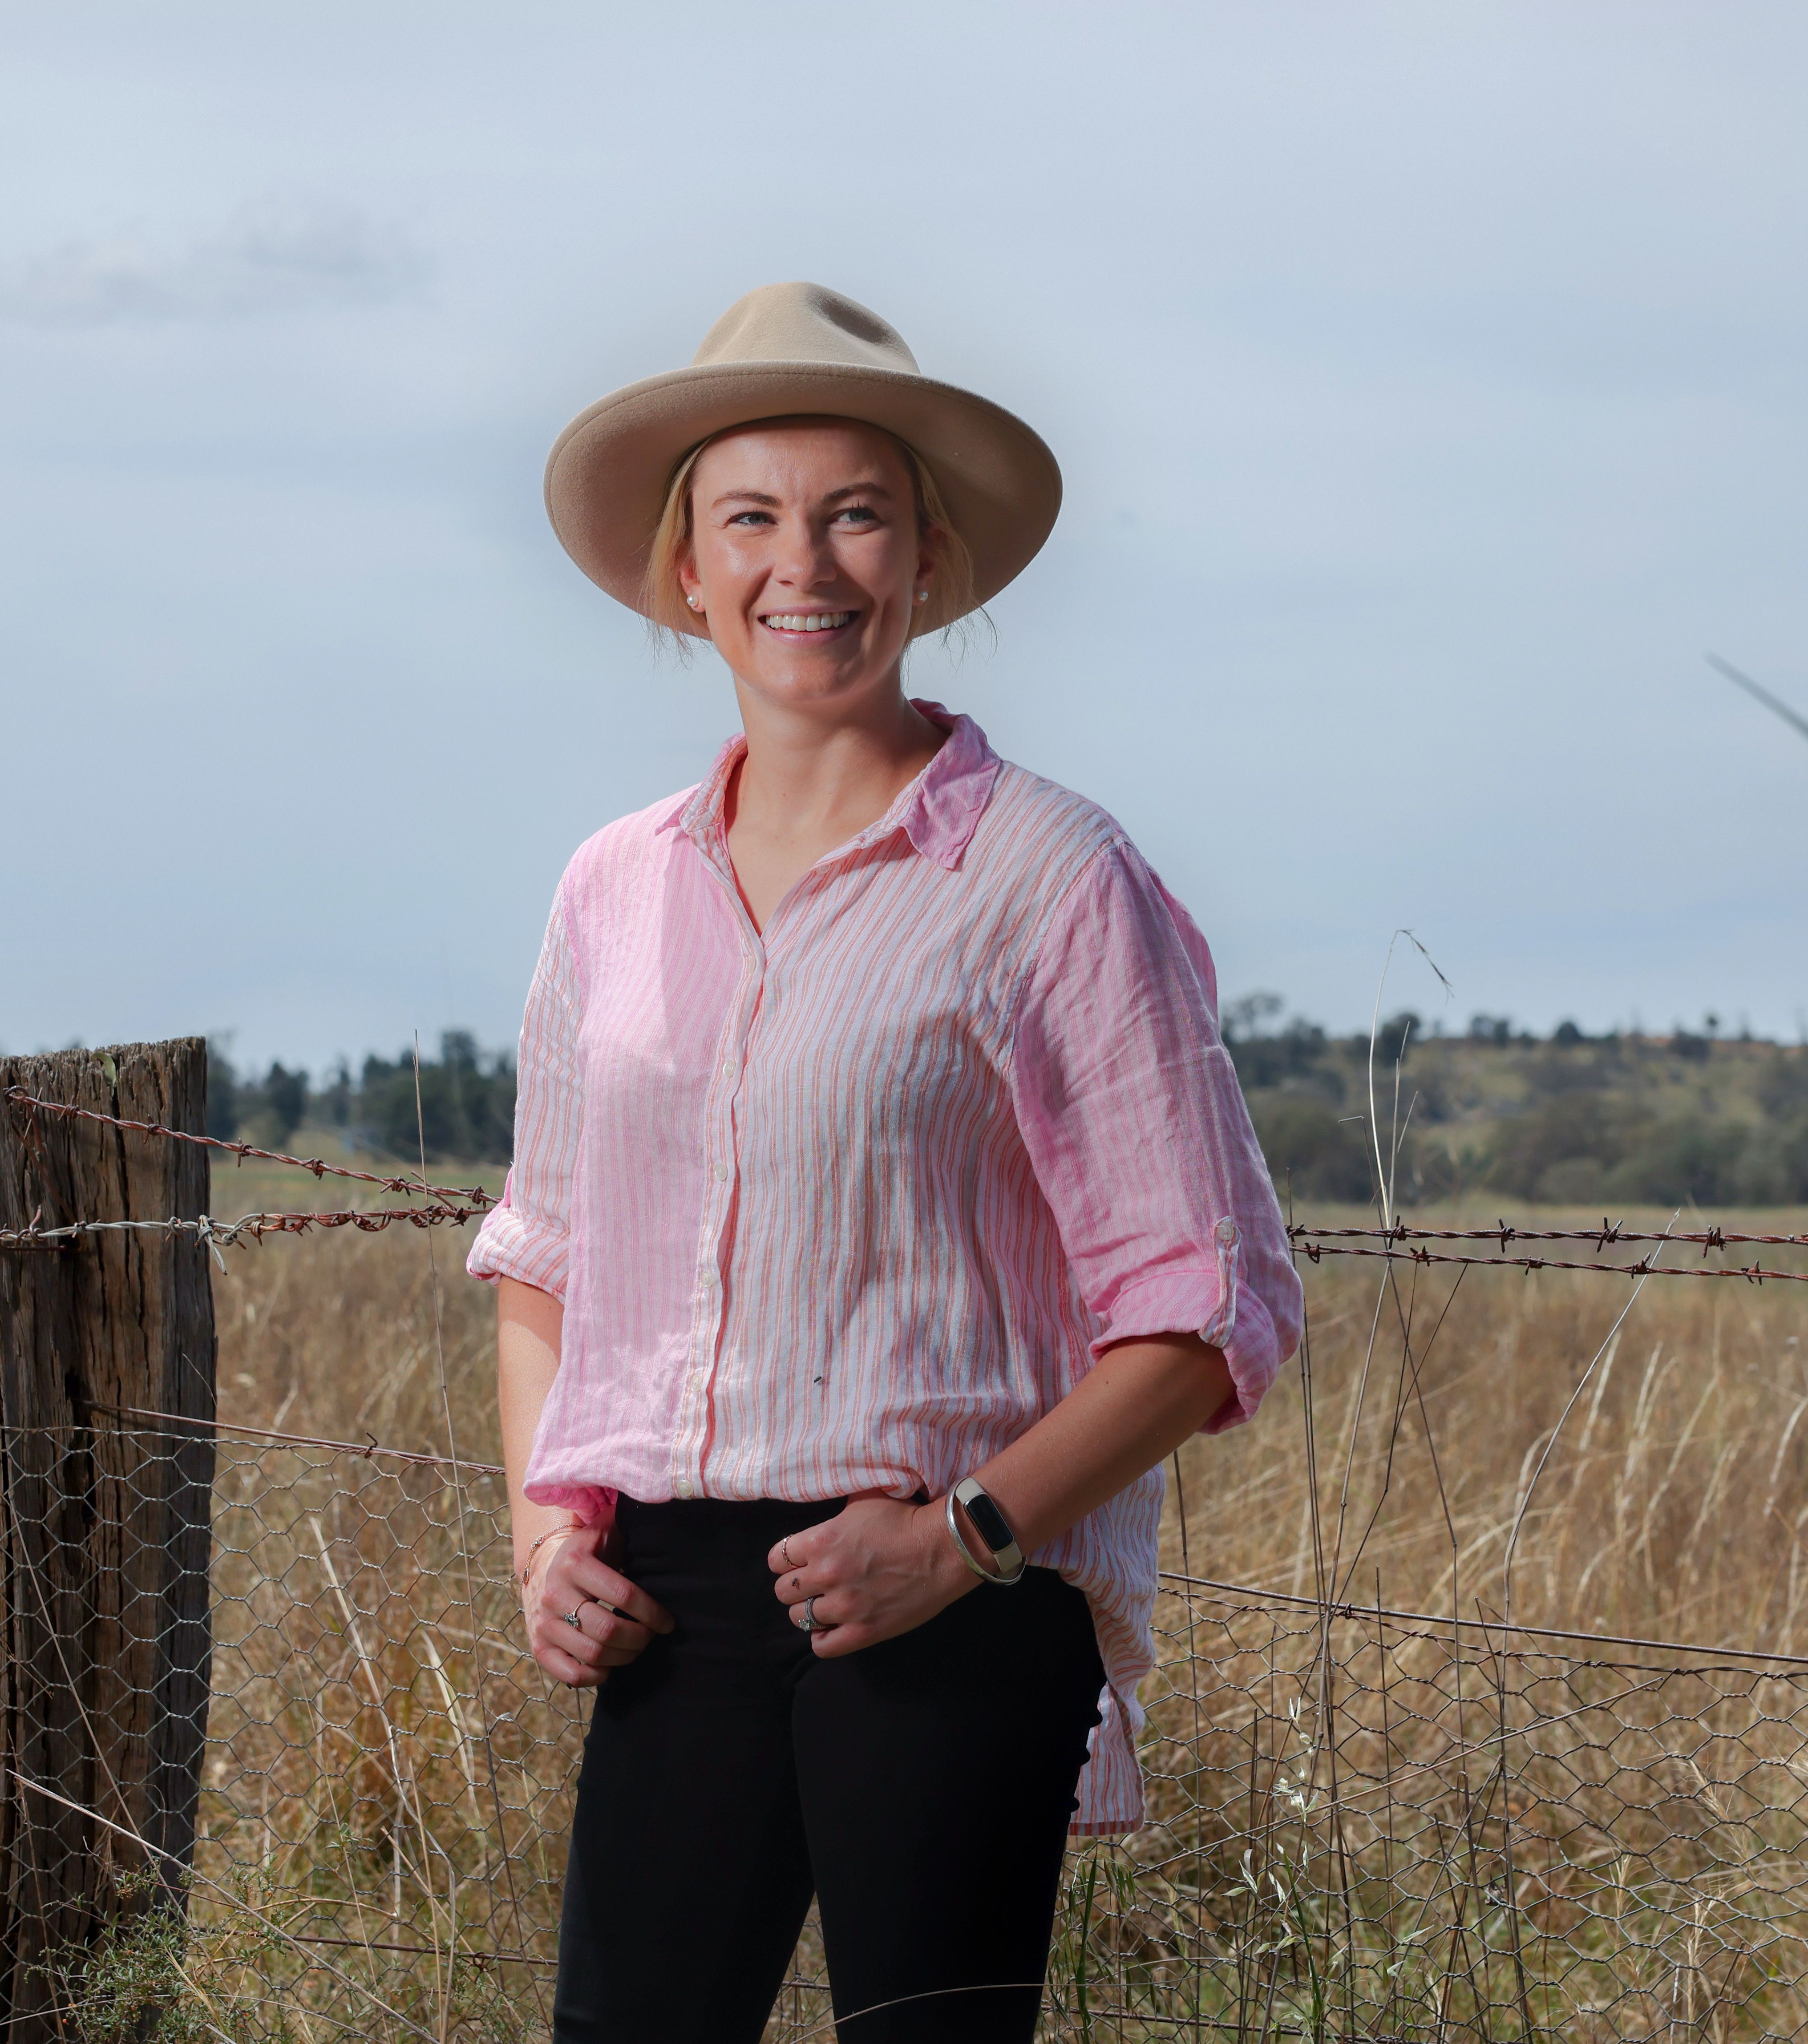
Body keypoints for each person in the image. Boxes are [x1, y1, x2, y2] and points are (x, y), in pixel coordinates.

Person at [467, 281, 1302, 2044]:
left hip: (945, 1590)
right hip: (665, 1601)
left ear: (926, 561)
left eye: (854, 515)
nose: (806, 567)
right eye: (749, 519)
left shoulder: (1048, 877)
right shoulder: (610, 889)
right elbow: (542, 1259)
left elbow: (1210, 1302)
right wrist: (543, 1538)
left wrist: (969, 1537)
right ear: (683, 572)